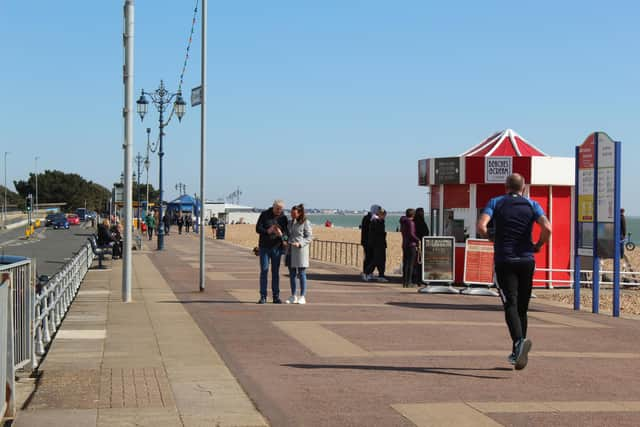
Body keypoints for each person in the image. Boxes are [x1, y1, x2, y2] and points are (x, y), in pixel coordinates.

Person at [477, 173, 552, 370]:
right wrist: (539, 245)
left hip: (505, 259)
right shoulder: (532, 205)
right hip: (527, 260)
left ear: (505, 186)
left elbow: (481, 226)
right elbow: (548, 227)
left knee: (510, 302)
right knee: (522, 307)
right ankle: (518, 353)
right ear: (523, 187)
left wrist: (490, 237)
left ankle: (519, 343)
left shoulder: (496, 202)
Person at [255, 200, 288, 304]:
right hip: (264, 247)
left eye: (281, 209)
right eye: (277, 208)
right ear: (273, 206)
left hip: (277, 248)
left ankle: (276, 296)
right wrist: (267, 231)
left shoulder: (283, 218)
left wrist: (281, 234)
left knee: (275, 273)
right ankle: (263, 296)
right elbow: (257, 228)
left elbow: (287, 234)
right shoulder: (264, 214)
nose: (279, 211)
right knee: (264, 271)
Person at [286, 204, 313, 304]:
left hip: (300, 251)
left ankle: (302, 296)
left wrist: (300, 243)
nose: (292, 215)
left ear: (300, 213)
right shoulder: (289, 222)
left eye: (294, 213)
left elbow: (309, 237)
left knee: (301, 273)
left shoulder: (306, 222)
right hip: (290, 250)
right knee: (292, 274)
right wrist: (284, 239)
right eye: (291, 213)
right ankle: (293, 295)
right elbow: (286, 235)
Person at [364, 208, 388, 282]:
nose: (385, 217)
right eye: (384, 215)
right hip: (377, 244)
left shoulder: (378, 221)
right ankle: (367, 273)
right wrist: (384, 234)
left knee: (381, 260)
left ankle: (381, 275)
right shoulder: (376, 221)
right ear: (380, 214)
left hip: (379, 243)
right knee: (376, 260)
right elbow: (377, 233)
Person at [360, 205, 380, 280]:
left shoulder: (369, 217)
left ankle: (369, 272)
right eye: (378, 210)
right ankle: (366, 273)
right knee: (369, 257)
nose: (379, 211)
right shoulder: (369, 218)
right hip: (368, 241)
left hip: (368, 241)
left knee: (370, 257)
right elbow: (368, 230)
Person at [400, 209, 419, 288]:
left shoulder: (403, 222)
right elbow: (411, 234)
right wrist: (418, 240)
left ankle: (405, 282)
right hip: (411, 245)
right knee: (410, 264)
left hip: (405, 244)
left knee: (406, 263)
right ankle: (409, 282)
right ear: (413, 215)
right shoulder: (411, 223)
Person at [413, 207, 430, 285]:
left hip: (415, 243)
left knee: (415, 262)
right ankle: (419, 279)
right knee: (419, 261)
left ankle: (414, 278)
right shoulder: (421, 222)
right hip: (420, 243)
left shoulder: (414, 221)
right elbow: (425, 232)